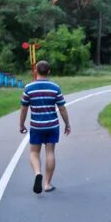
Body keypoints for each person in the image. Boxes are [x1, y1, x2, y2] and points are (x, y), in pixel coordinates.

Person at [19, 60, 71, 194]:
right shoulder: (55, 87)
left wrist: (21, 124)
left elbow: (24, 109)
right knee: (50, 153)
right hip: (52, 125)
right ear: (49, 72)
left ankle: (37, 173)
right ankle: (47, 184)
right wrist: (67, 124)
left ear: (36, 71)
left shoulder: (28, 88)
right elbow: (62, 108)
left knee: (34, 152)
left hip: (36, 126)